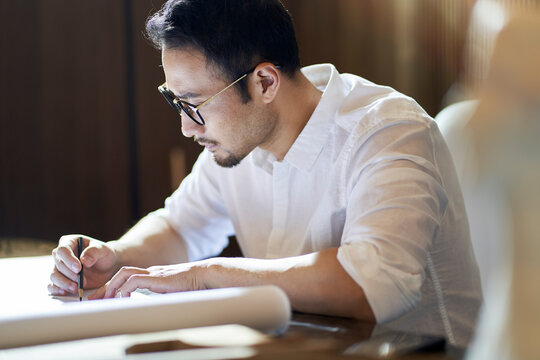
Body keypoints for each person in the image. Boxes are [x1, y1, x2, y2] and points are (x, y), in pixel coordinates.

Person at [49, 0, 481, 347]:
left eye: (194, 103)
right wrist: (116, 257)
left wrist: (206, 275)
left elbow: (371, 286)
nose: (186, 127)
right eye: (174, 101)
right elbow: (181, 227)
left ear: (265, 83)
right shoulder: (239, 140)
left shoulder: (387, 131)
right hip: (304, 346)